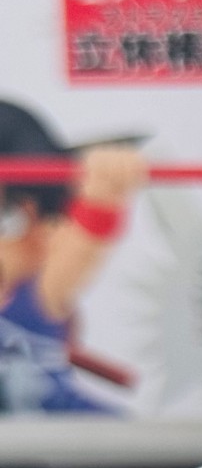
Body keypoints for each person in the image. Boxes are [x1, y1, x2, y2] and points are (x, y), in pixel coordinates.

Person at [0, 100, 145, 412]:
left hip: (49, 423)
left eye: (6, 218)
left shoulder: (34, 296)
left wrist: (103, 192)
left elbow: (83, 239)